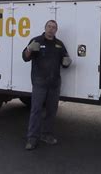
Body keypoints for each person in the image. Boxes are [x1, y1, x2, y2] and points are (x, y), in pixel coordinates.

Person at [22, 20, 72, 150]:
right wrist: (29, 49)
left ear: (56, 30)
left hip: (54, 83)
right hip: (39, 82)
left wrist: (67, 62)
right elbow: (25, 57)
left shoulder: (59, 45)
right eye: (49, 27)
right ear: (45, 28)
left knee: (51, 111)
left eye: (54, 28)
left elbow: (64, 62)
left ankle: (46, 134)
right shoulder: (37, 41)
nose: (51, 29)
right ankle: (32, 139)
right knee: (36, 110)